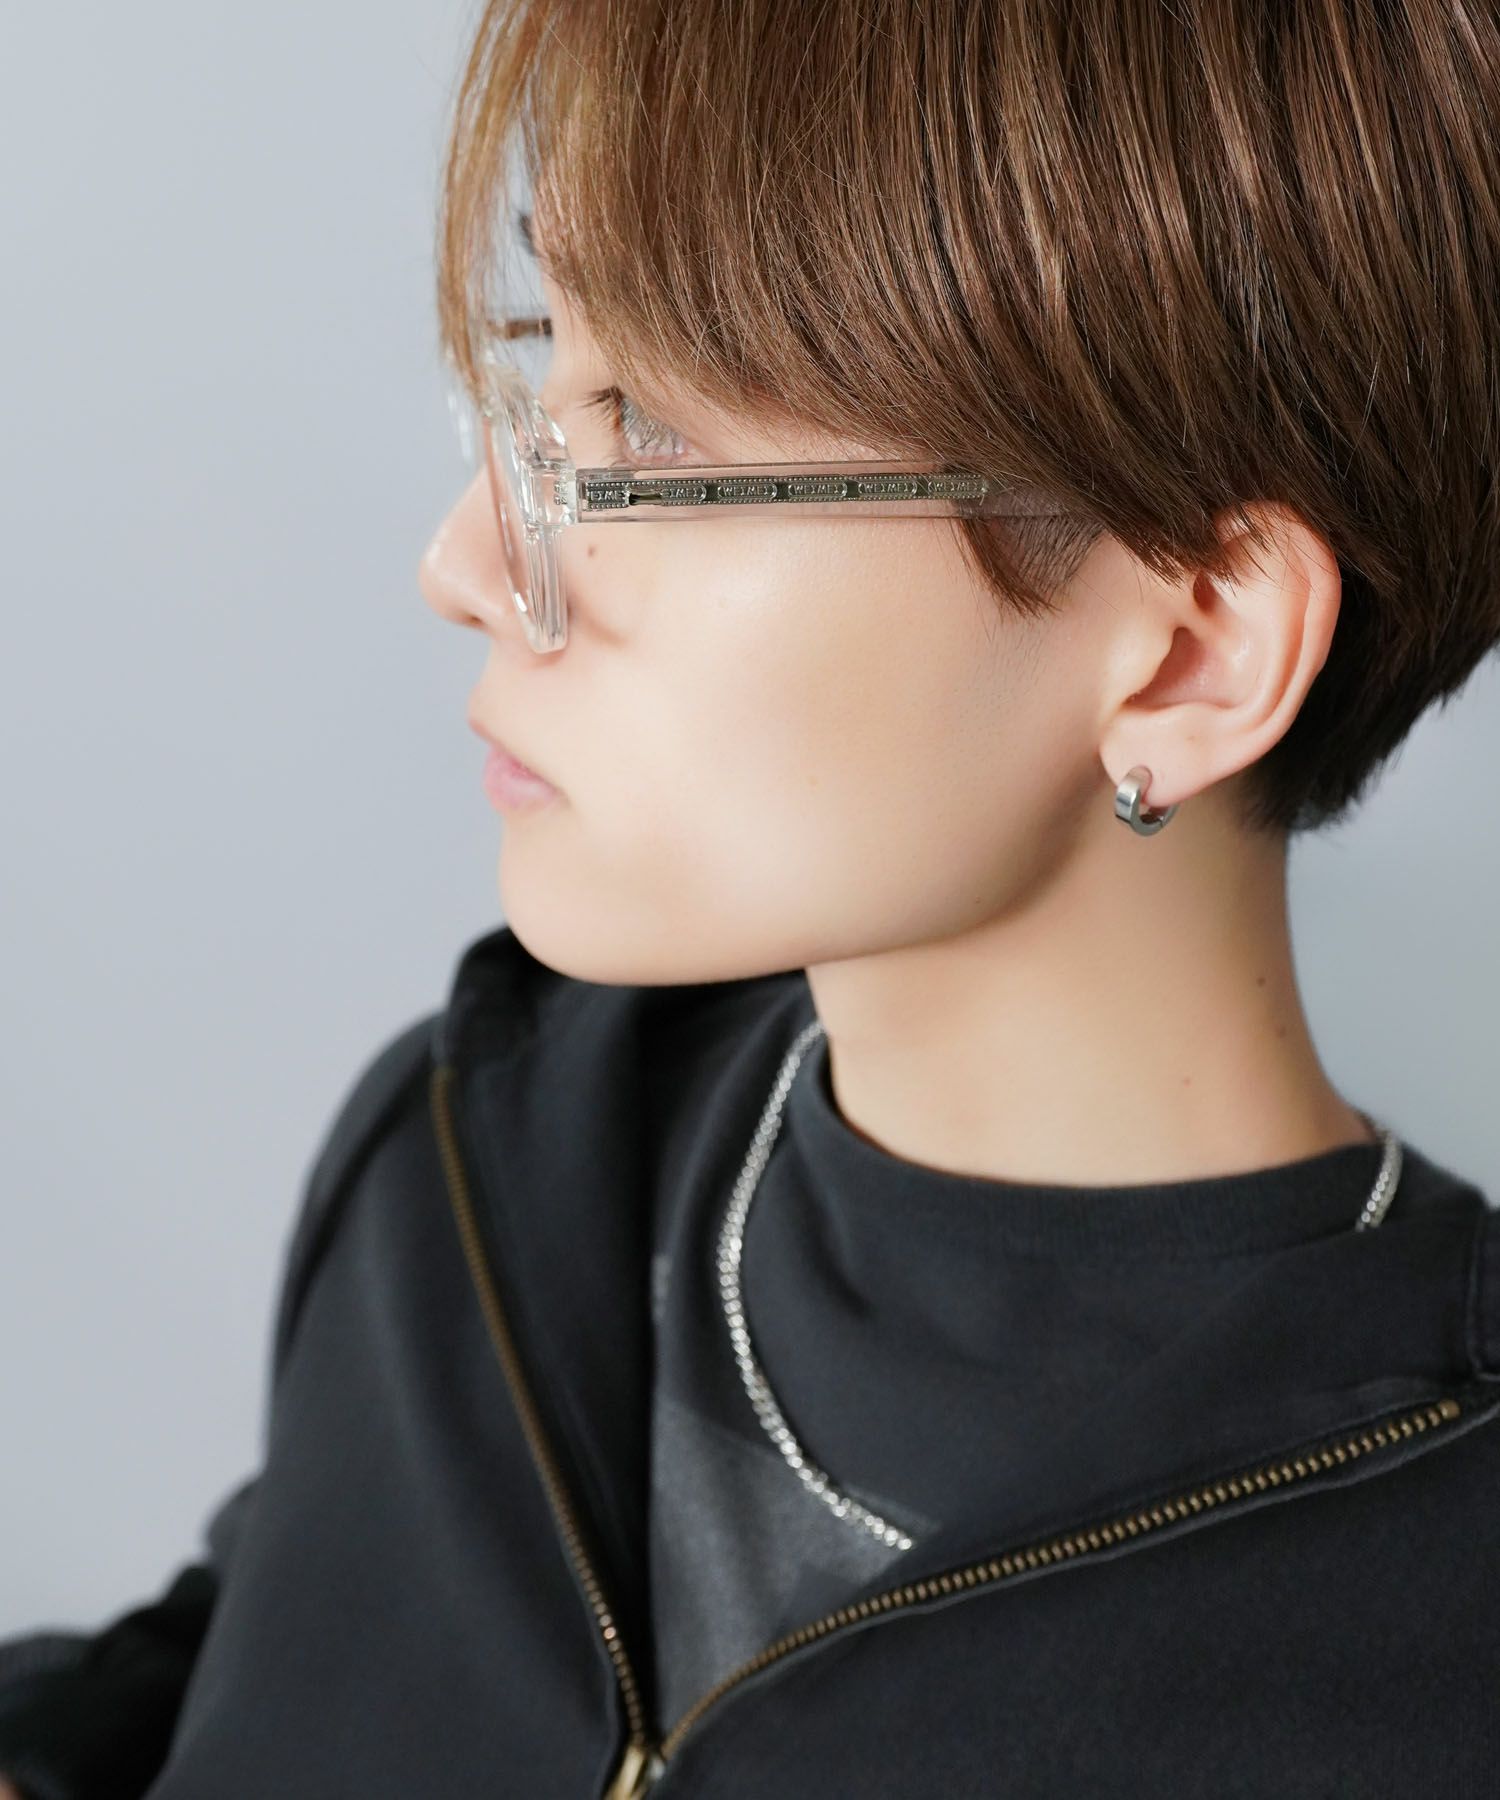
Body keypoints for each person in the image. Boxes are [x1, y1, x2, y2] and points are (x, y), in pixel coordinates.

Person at [4, 1, 1500, 1794]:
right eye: (550, 362)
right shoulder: (479, 1167)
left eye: (646, 427)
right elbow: (250, 1649)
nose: (467, 563)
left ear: (1193, 651)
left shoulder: (1445, 1630)